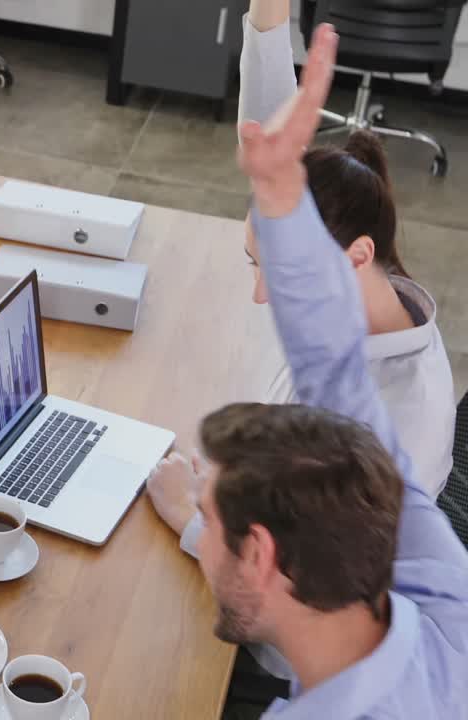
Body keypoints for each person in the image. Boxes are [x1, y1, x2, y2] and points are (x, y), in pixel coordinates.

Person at [192, 23, 468, 719]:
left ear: (260, 554)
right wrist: (281, 197)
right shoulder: (444, 589)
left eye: (210, 521)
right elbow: (338, 379)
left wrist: (179, 514)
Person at [149, 0, 455, 565]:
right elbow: (268, 130)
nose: (261, 294)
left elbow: (308, 599)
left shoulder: (393, 422)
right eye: (255, 262)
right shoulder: (367, 296)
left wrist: (188, 520)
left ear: (358, 255)